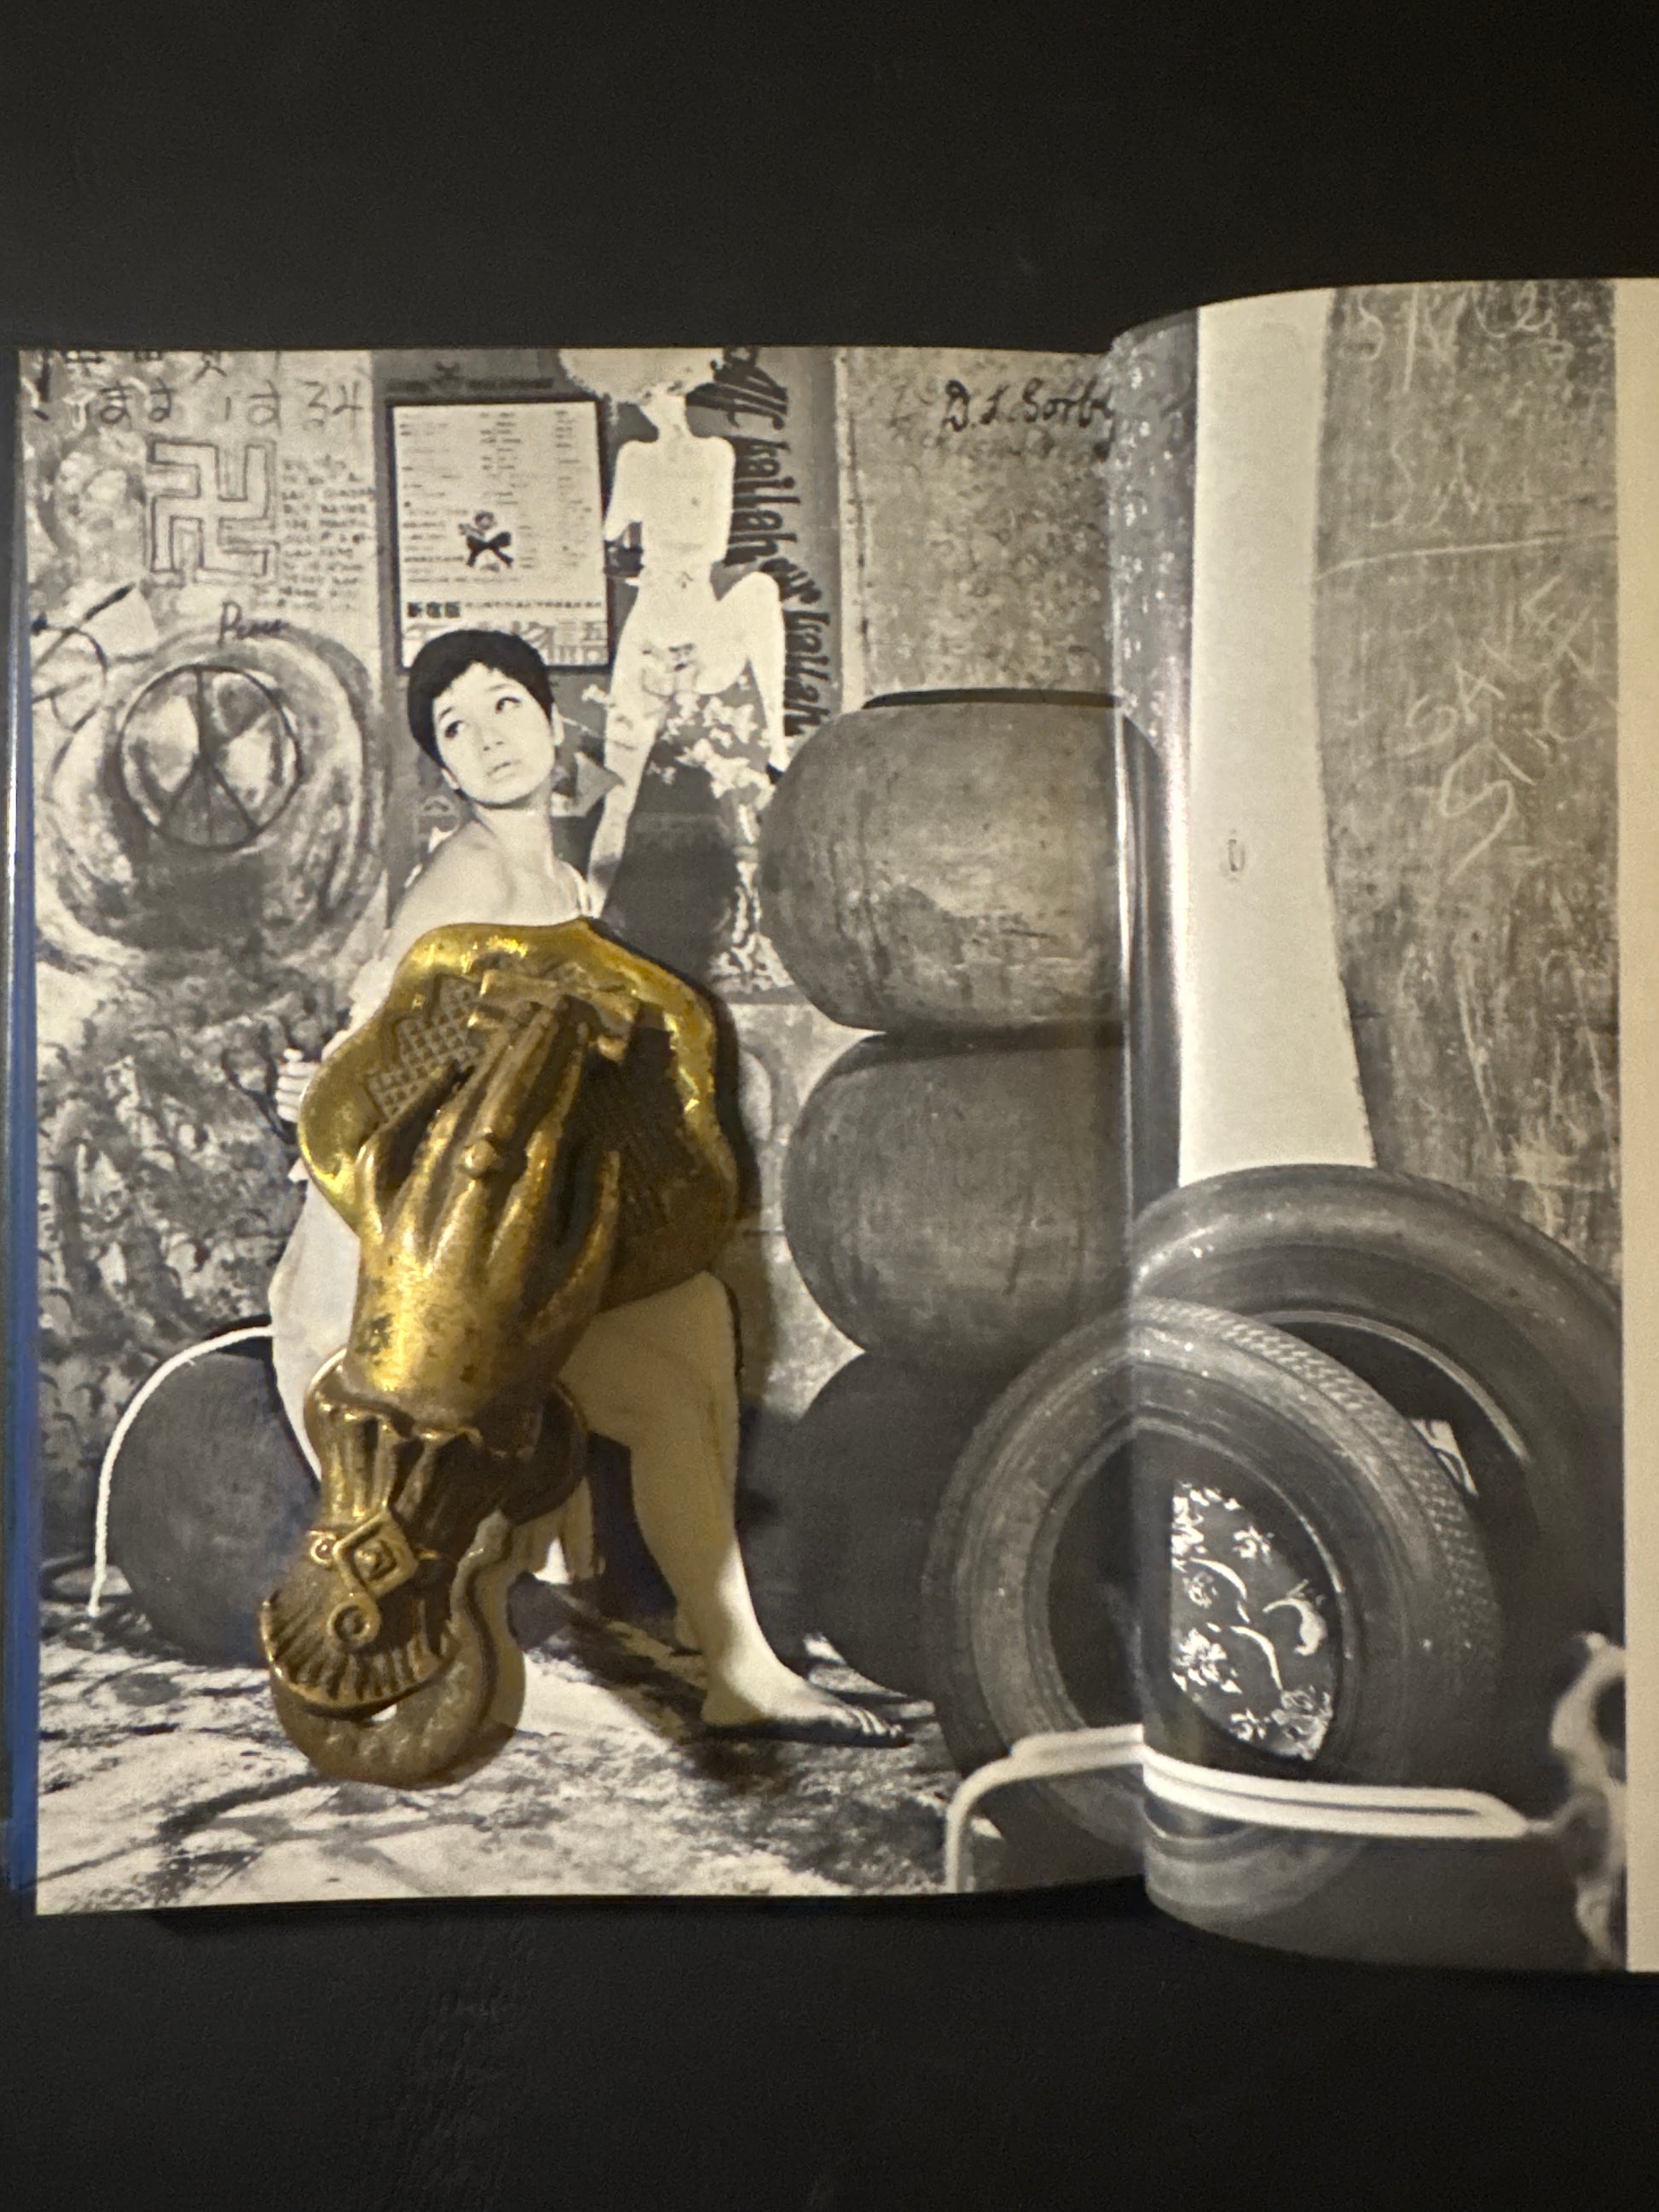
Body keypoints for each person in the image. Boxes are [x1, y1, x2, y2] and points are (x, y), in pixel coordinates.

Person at [269, 628, 900, 1744]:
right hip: (411, 1262)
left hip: (518, 1228)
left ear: (552, 723)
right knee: (641, 1380)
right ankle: (474, 1631)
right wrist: (317, 1079)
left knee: (689, 1338)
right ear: (443, 767)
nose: (488, 737)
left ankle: (736, 1664)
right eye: (456, 727)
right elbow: (385, 1050)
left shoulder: (565, 878)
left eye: (505, 705)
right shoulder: (461, 877)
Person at [564, 349, 789, 904]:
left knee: (761, 593)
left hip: (700, 616)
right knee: (619, 790)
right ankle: (589, 911)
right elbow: (612, 531)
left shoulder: (716, 455)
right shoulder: (637, 458)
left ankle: (780, 740)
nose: (655, 406)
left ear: (682, 387)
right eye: (644, 396)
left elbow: (713, 542)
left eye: (662, 391)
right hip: (655, 615)